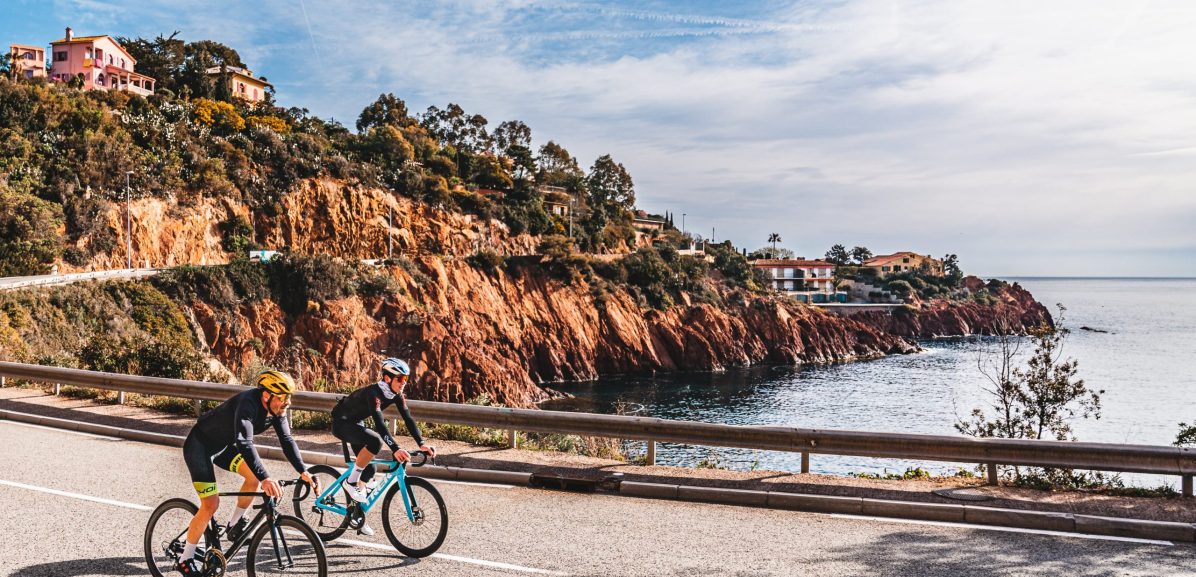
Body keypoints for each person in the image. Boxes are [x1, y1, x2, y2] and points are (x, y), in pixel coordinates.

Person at [175, 370, 319, 576]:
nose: (287, 402)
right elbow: (244, 442)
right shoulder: (248, 404)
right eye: (282, 397)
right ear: (266, 395)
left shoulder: (276, 410)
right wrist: (266, 478)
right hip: (200, 446)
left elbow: (287, 441)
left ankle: (234, 525)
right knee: (210, 504)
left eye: (289, 397)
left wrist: (303, 471)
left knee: (253, 478)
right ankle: (185, 558)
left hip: (222, 446)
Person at [331, 357, 435, 535]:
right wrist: (395, 449)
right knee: (375, 441)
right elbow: (380, 425)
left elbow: (408, 419)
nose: (403, 383)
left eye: (405, 379)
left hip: (356, 424)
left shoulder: (395, 394)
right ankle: (350, 482)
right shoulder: (374, 394)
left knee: (370, 470)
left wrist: (422, 443)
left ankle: (357, 514)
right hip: (341, 423)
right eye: (400, 379)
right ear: (387, 378)